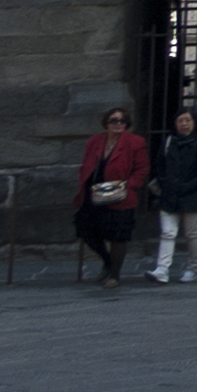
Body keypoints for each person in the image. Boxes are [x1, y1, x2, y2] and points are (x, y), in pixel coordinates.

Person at [72, 105, 150, 296]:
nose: (118, 124)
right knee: (85, 229)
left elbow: (142, 169)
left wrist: (127, 185)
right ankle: (107, 262)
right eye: (113, 120)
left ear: (127, 124)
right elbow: (86, 163)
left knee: (118, 236)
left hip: (121, 195)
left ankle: (114, 275)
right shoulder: (95, 141)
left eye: (122, 121)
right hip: (95, 193)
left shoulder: (135, 142)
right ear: (106, 123)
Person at [147, 107, 197, 284]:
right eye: (180, 121)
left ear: (194, 122)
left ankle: (194, 269)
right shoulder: (169, 143)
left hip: (194, 196)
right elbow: (159, 166)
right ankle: (162, 269)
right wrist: (166, 184)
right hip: (170, 196)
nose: (184, 124)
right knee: (167, 233)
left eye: (187, 120)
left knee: (192, 234)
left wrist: (187, 186)